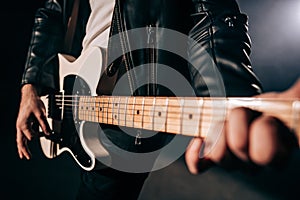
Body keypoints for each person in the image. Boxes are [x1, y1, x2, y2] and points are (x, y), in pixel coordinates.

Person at [16, 0, 299, 199]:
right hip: (72, 85)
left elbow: (211, 14)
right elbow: (52, 11)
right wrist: (30, 85)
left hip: (129, 113)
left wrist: (228, 99)